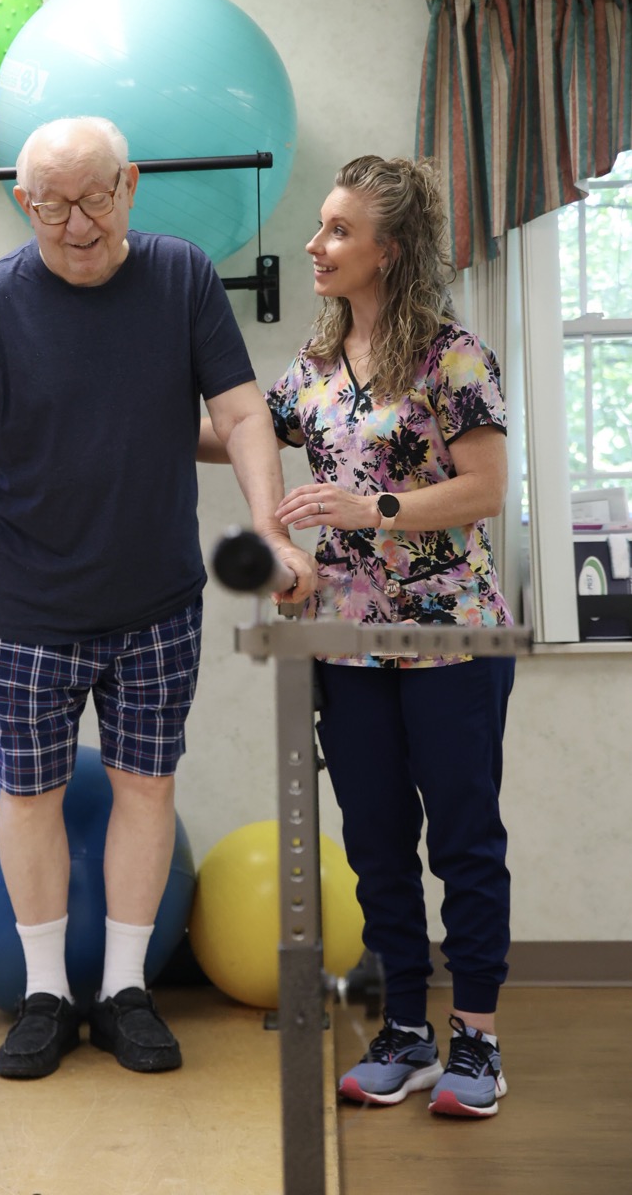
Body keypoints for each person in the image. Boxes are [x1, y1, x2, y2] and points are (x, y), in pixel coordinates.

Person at [0, 116, 315, 1081]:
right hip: (28, 607)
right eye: (51, 206)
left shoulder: (180, 279)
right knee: (29, 797)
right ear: (21, 201)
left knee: (145, 787)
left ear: (129, 184)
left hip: (158, 601)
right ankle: (46, 993)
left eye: (93, 199)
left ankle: (125, 990)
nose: (77, 224)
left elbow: (242, 409)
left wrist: (268, 528)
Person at [199, 155, 515, 1118]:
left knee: (462, 841)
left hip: (450, 636)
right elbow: (242, 430)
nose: (314, 244)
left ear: (390, 249)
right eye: (321, 227)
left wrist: (371, 504)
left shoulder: (450, 357)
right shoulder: (318, 360)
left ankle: (477, 1045)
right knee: (376, 843)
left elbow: (486, 492)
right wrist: (138, 404)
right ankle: (407, 1033)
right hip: (342, 638)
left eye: (337, 230)